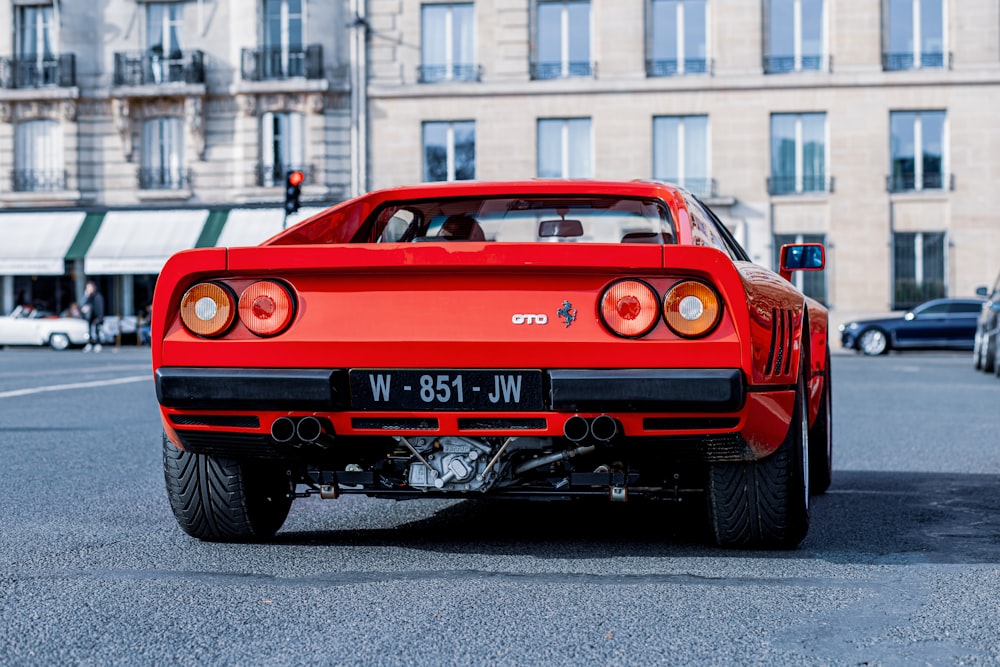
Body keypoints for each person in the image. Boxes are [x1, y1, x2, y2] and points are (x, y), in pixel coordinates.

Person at [81, 280, 105, 352]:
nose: (89, 289)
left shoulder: (97, 296)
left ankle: (97, 344)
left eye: (90, 287)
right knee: (89, 331)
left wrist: (100, 317)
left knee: (97, 330)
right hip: (89, 317)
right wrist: (86, 295)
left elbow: (100, 307)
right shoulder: (87, 297)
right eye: (87, 287)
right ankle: (90, 343)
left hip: (96, 317)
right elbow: (82, 304)